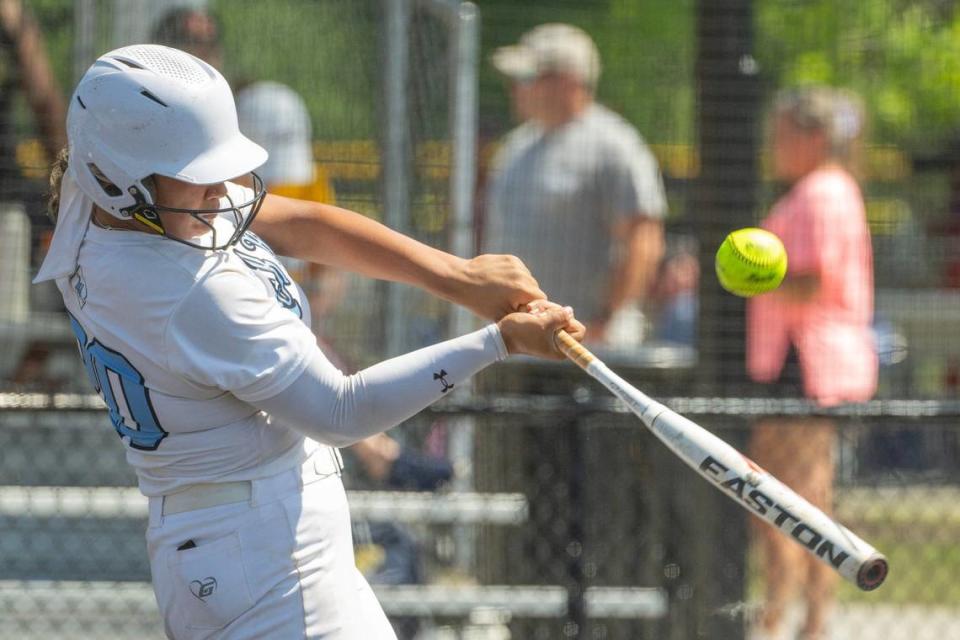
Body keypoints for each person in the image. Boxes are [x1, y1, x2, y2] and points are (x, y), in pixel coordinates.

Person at [36, 44, 583, 639]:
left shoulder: (110, 203)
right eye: (196, 177)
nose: (221, 192)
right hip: (260, 561)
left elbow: (301, 224)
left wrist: (460, 277)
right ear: (118, 176)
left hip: (249, 543)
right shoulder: (184, 290)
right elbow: (340, 409)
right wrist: (498, 341)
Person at [746, 86, 876, 640]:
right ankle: (806, 619)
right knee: (802, 498)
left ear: (815, 138)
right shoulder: (819, 190)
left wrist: (754, 272)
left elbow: (812, 280)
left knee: (778, 495)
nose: (774, 147)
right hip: (798, 361)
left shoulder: (823, 192)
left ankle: (786, 619)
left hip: (809, 360)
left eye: (783, 135)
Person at [484, 23, 667, 348]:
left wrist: (605, 320)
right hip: (518, 342)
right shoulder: (515, 147)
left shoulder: (615, 144)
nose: (514, 89)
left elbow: (644, 239)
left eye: (526, 78)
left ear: (567, 82)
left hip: (591, 345)